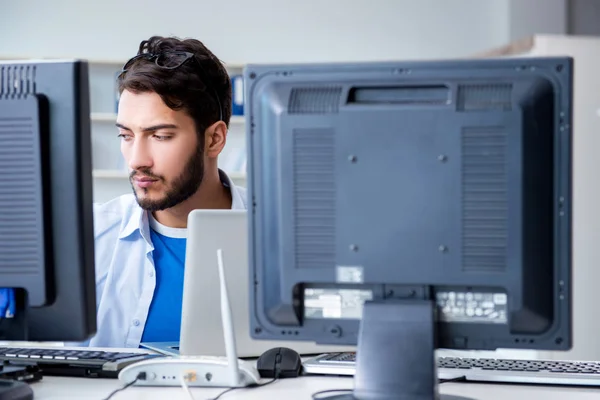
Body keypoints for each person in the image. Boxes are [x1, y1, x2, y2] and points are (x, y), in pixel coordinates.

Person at [88, 36, 246, 347]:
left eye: (160, 136)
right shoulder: (87, 235)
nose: (136, 160)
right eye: (126, 135)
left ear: (214, 139)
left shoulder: (276, 236)